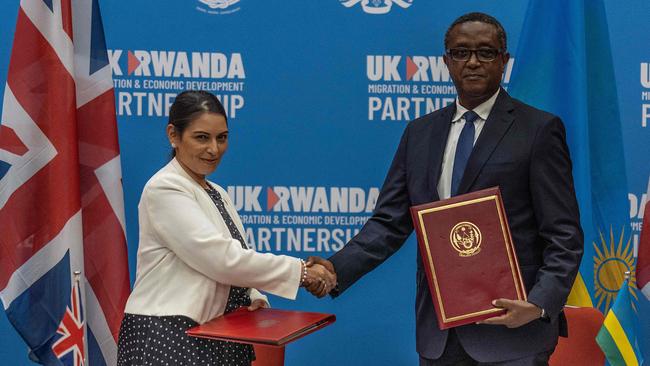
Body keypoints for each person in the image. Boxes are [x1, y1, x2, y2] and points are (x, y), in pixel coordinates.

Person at [311, 12, 584, 365]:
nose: (472, 62)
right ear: (446, 61)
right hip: (440, 334)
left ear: (504, 61)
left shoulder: (538, 130)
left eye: (486, 52)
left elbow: (564, 234)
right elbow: (389, 223)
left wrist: (538, 303)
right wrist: (335, 269)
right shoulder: (419, 133)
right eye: (461, 53)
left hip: (514, 332)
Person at [117, 90, 335, 366]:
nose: (214, 149)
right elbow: (221, 260)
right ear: (173, 135)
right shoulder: (165, 187)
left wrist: (252, 297)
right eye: (201, 137)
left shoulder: (217, 192)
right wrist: (302, 272)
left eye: (222, 138)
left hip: (216, 337)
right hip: (168, 336)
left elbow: (234, 262)